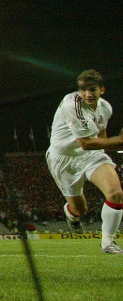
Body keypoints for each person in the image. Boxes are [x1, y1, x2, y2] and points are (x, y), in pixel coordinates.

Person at [46, 69, 123, 254]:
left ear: (101, 90)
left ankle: (107, 242)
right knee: (80, 210)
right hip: (63, 160)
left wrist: (115, 146)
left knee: (116, 194)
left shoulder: (105, 108)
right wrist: (120, 140)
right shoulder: (71, 103)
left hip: (90, 156)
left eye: (92, 89)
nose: (87, 94)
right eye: (83, 89)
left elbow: (101, 140)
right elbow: (86, 143)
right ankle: (71, 215)